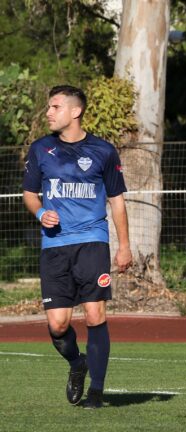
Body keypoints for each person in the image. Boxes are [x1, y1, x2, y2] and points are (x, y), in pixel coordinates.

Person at [22, 85, 132, 409]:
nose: (48, 113)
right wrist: (40, 213)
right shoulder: (40, 149)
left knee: (95, 313)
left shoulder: (103, 151)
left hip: (92, 242)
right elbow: (29, 194)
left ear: (75, 111)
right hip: (54, 246)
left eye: (54, 107)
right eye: (49, 107)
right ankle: (76, 363)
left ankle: (95, 393)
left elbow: (117, 201)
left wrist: (124, 246)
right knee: (58, 325)